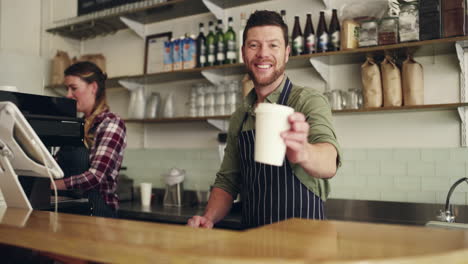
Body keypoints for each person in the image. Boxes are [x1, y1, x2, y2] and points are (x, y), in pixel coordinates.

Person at [187, 10, 341, 229]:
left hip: (305, 245)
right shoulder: (240, 115)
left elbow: (329, 162)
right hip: (253, 242)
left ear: (287, 53)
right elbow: (228, 181)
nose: (263, 54)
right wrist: (208, 218)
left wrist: (304, 152)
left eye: (273, 45)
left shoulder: (308, 101)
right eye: (254, 45)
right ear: (243, 53)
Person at [51, 61, 127, 218]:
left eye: (74, 88)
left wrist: (53, 185)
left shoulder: (111, 123)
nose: (68, 95)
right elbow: (56, 165)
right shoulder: (76, 125)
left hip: (98, 213)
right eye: (67, 89)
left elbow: (96, 176)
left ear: (93, 87)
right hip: (71, 211)